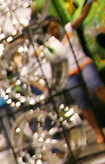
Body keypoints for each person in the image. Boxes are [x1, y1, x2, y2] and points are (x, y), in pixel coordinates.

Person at [45, 3, 105, 144]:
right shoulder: (50, 44)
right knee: (82, 102)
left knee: (95, 84)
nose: (54, 31)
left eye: (55, 27)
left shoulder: (68, 29)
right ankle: (97, 131)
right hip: (69, 73)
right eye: (50, 30)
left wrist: (88, 2)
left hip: (83, 63)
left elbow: (82, 16)